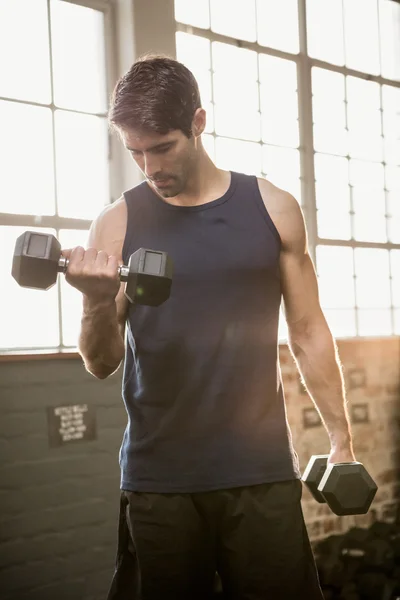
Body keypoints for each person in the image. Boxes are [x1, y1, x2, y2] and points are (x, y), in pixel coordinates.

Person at [63, 55, 356, 599]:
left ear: (198, 123)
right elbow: (101, 362)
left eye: (162, 147)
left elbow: (309, 331)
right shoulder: (118, 222)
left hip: (259, 469)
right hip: (160, 478)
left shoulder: (272, 209)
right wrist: (96, 303)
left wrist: (341, 440)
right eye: (136, 152)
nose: (149, 167)